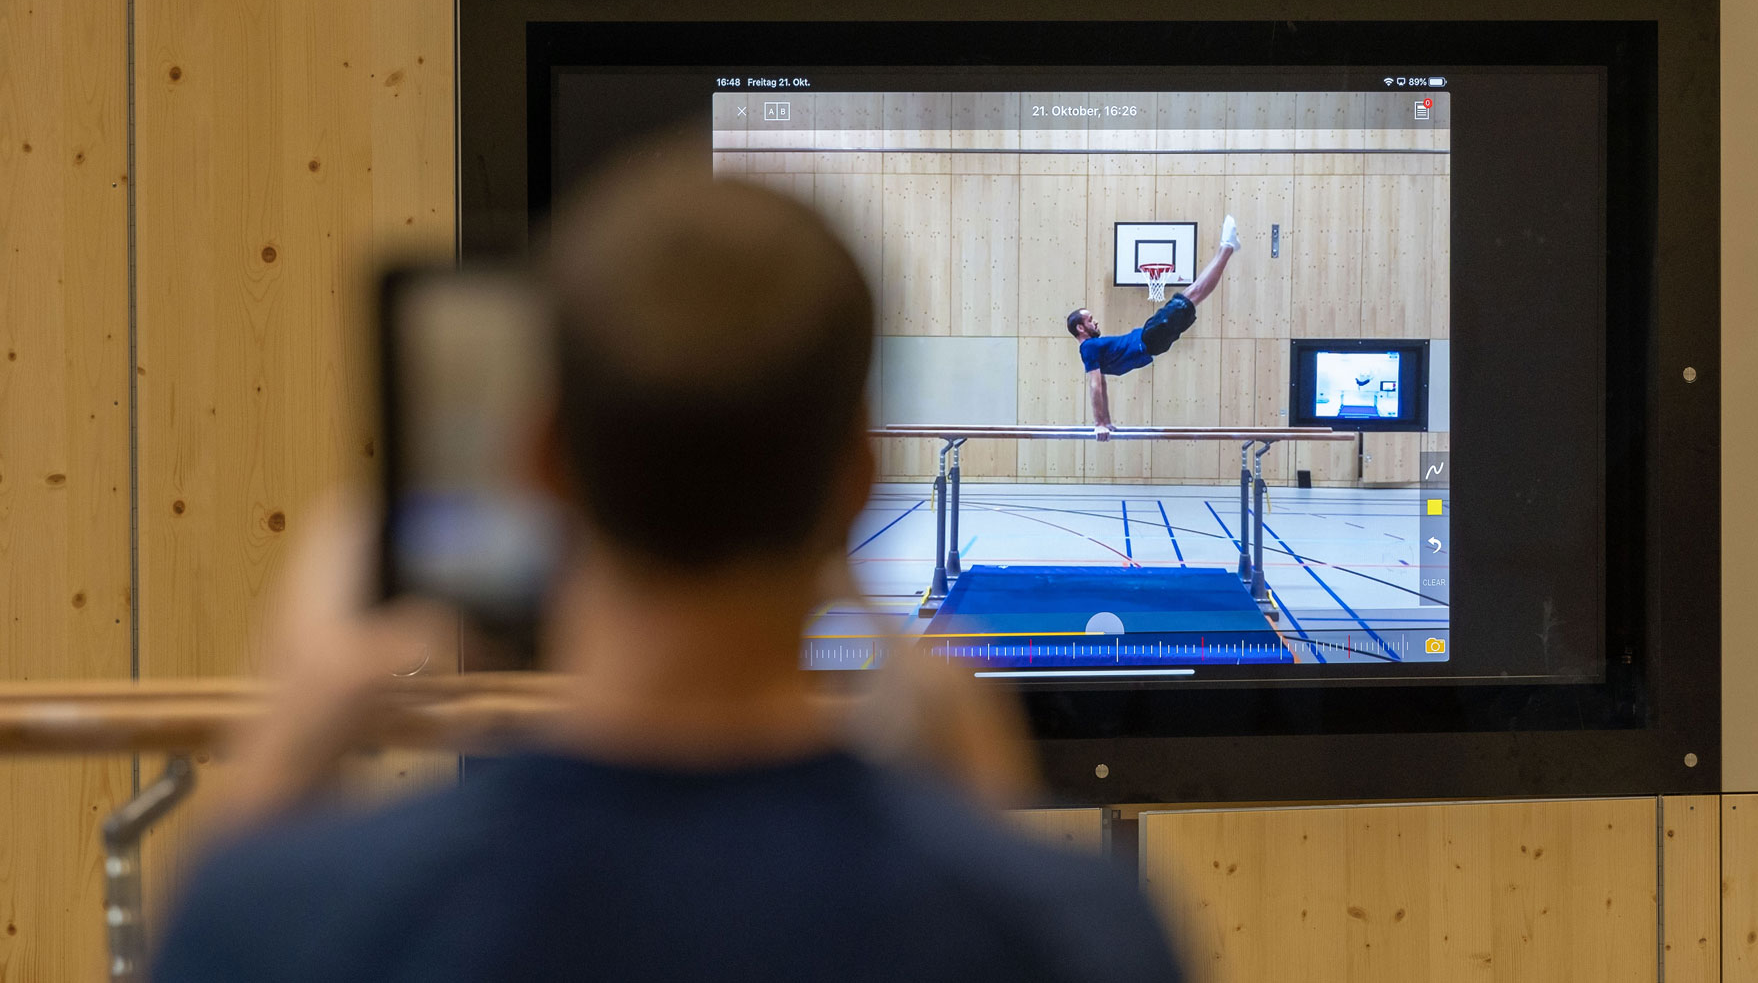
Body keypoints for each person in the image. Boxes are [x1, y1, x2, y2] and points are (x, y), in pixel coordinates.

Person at [150, 142, 1184, 983]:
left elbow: (235, 930)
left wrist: (293, 739)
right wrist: (983, 816)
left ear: (541, 463)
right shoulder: (1073, 931)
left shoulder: (291, 923)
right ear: (857, 477)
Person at [1067, 215, 1241, 440]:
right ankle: (1226, 248)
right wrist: (1101, 423)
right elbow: (1096, 386)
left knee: (1193, 296)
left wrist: (1105, 422)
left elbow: (1100, 385)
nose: (1095, 322)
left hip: (1150, 340)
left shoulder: (1091, 350)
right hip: (1149, 342)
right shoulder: (1088, 347)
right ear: (1081, 328)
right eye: (1090, 320)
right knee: (1192, 296)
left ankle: (1226, 248)